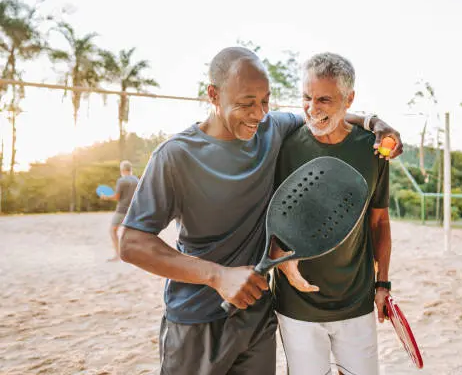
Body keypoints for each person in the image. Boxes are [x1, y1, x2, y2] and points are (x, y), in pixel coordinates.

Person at [118, 47, 401, 375]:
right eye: (246, 103)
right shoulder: (175, 156)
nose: (258, 113)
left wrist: (375, 123)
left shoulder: (272, 129)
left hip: (257, 320)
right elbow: (131, 243)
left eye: (265, 101)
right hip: (196, 320)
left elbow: (326, 114)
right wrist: (217, 276)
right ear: (213, 94)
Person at [272, 52, 393, 375]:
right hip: (296, 305)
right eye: (306, 97)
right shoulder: (284, 146)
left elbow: (379, 221)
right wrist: (279, 258)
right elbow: (269, 222)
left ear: (349, 99)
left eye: (324, 99)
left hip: (356, 300)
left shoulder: (373, 149)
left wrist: (383, 285)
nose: (312, 108)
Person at [100, 160, 139, 261]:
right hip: (133, 210)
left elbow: (116, 197)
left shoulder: (121, 181)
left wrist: (106, 197)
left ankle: (118, 255)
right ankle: (133, 255)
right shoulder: (137, 180)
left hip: (122, 210)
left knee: (113, 231)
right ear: (131, 169)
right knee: (130, 233)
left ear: (122, 170)